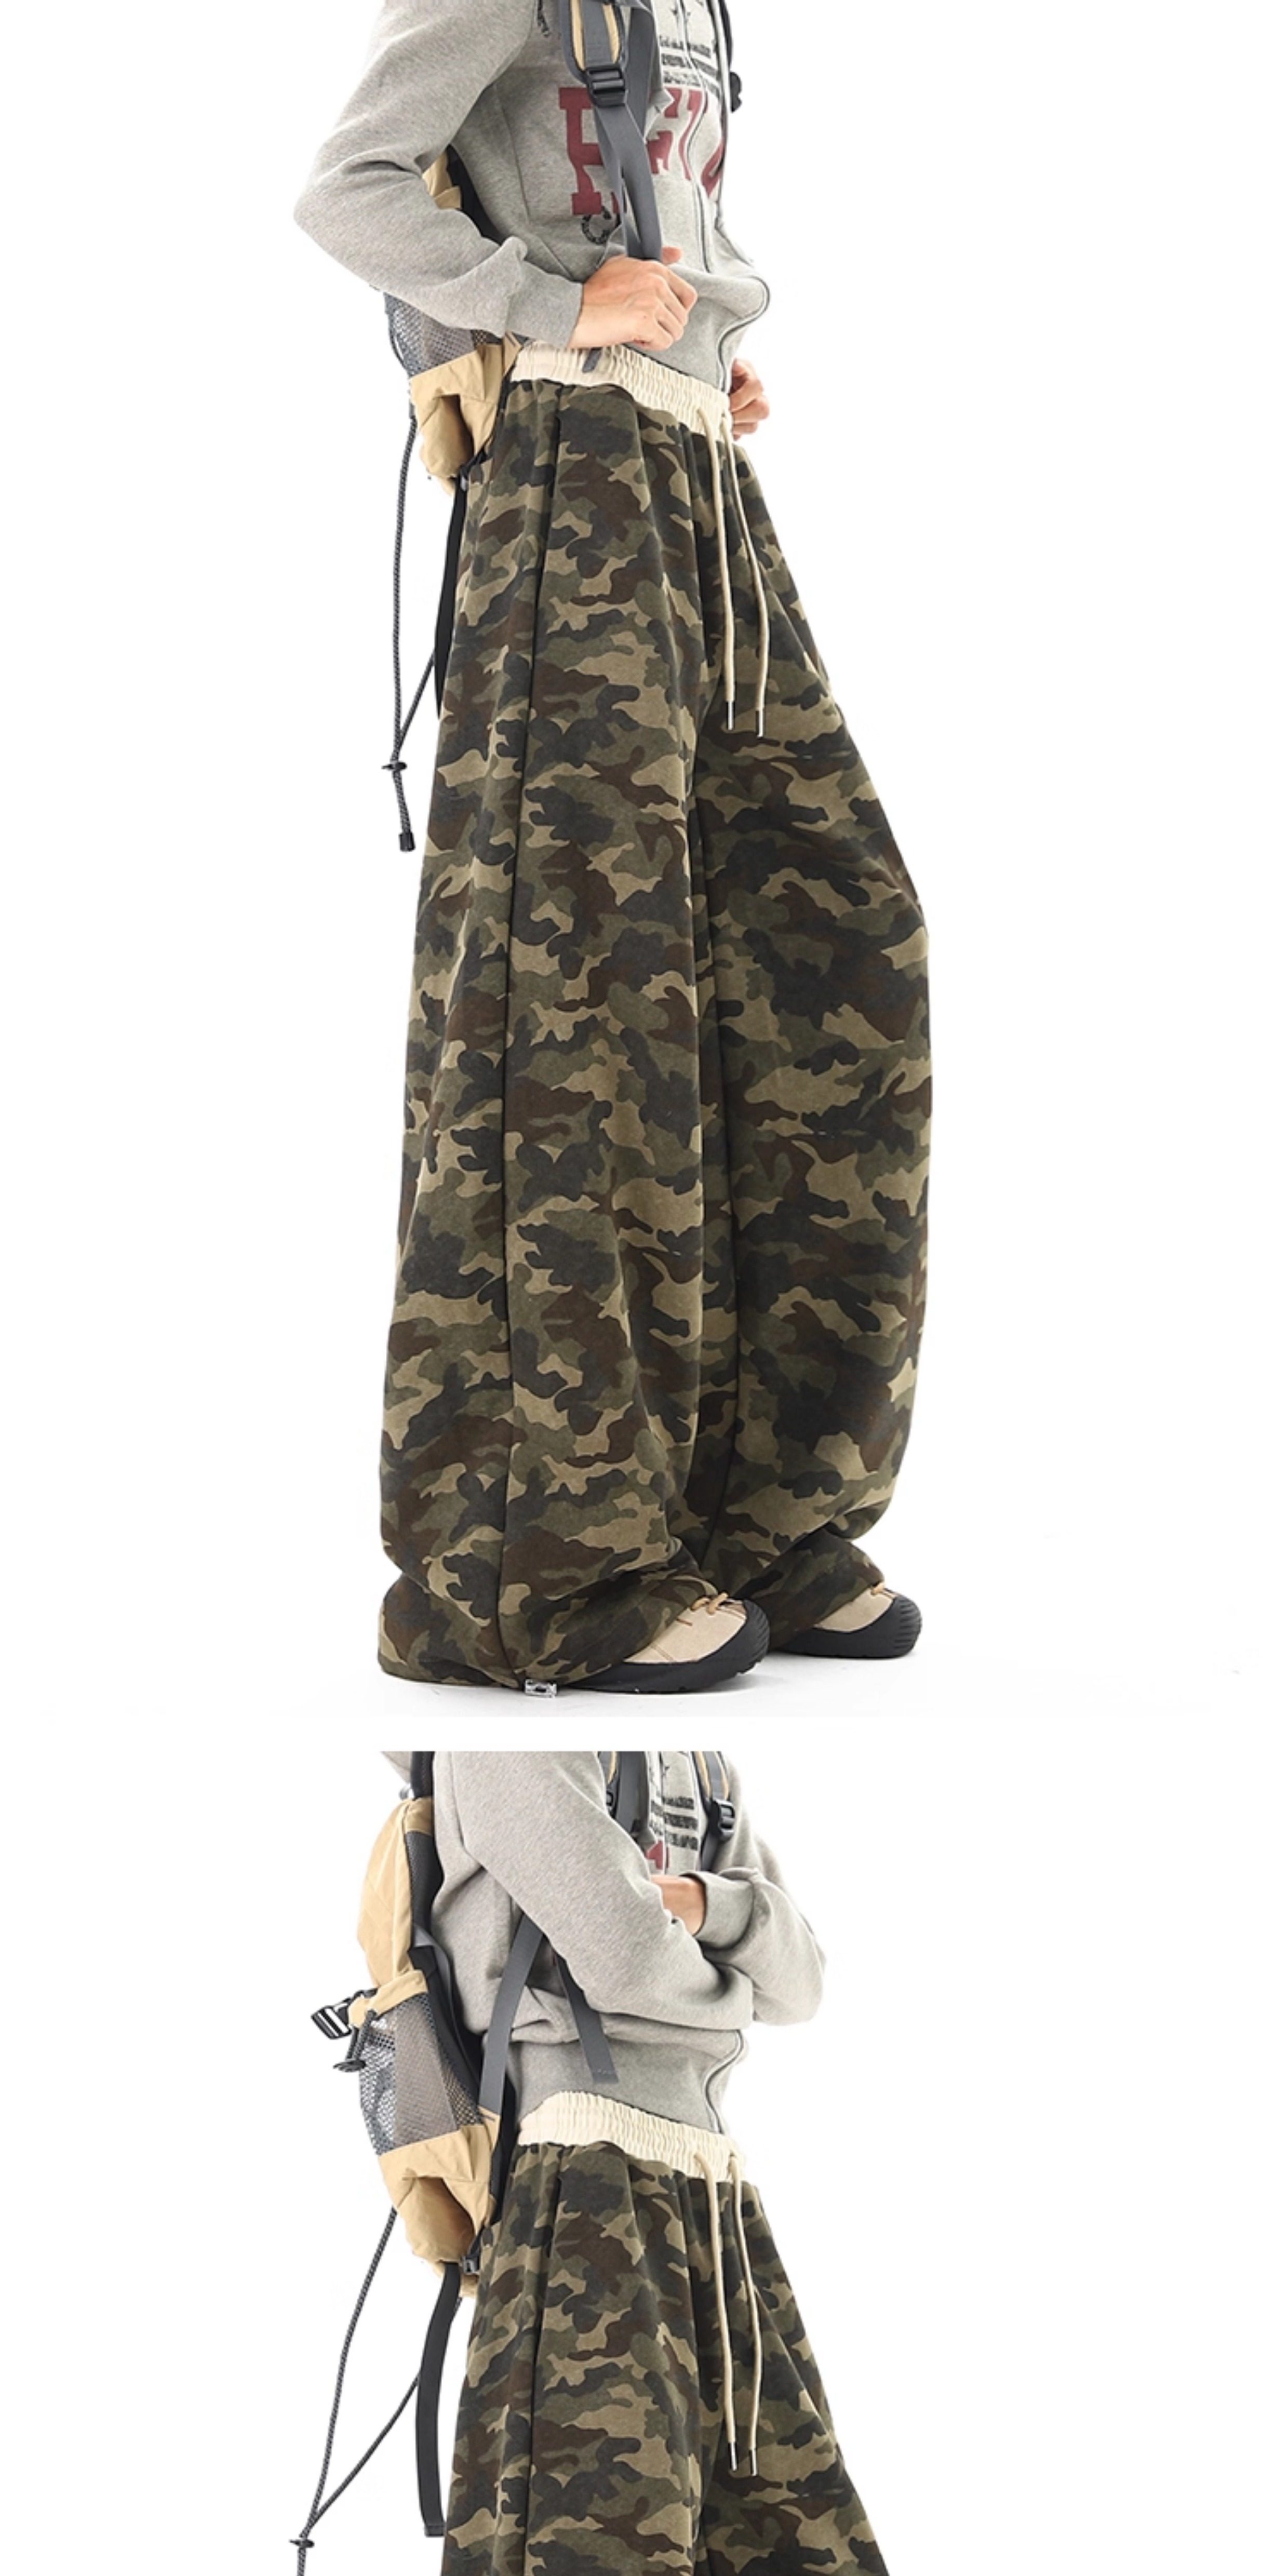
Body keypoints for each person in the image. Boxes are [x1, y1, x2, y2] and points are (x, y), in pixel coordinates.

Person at [294, 0, 931, 1695]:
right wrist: (551, 305)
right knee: (577, 996)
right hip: (571, 465)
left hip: (689, 463)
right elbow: (349, 188)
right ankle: (541, 1569)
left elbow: (653, 205)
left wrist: (700, 340)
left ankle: (754, 1508)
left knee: (830, 944)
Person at [388, 1748, 889, 2574]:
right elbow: (625, 1959)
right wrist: (734, 1990)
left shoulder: (699, 1759)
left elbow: (800, 1985)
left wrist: (702, 1904)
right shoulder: (510, 1743)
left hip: (710, 2181)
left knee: (797, 2539)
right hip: (580, 2177)